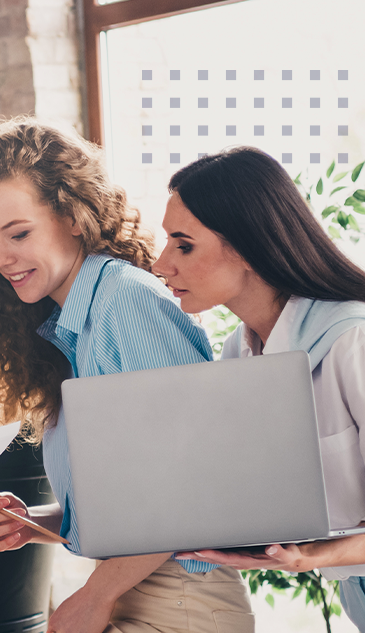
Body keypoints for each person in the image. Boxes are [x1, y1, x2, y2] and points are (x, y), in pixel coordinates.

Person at [0, 119, 254, 632]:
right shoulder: (71, 324)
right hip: (137, 586)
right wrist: (35, 524)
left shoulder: (125, 302)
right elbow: (138, 504)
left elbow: (192, 487)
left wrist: (93, 598)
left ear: (75, 217)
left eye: (18, 233)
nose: (0, 258)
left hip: (179, 601)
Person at [152, 147, 365, 631]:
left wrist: (310, 555)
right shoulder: (241, 354)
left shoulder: (354, 339)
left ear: (246, 247)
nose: (162, 265)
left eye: (183, 245)